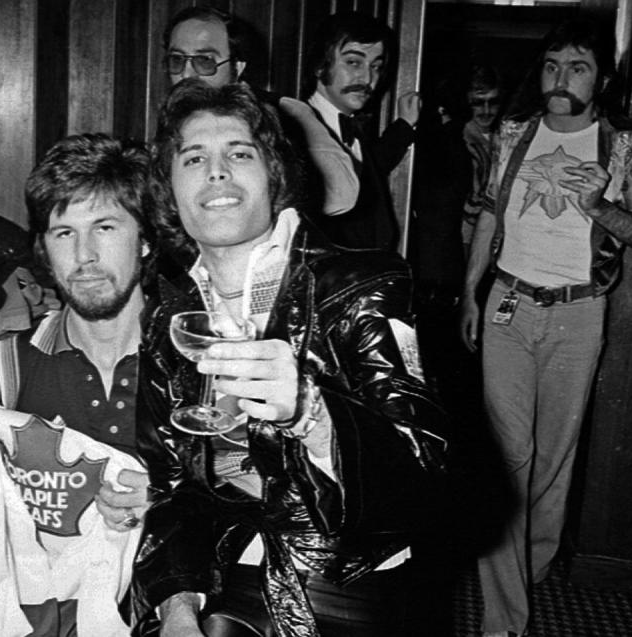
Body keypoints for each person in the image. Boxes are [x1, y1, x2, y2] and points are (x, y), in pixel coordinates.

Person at [131, 79, 449, 637]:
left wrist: (310, 410)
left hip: (341, 577)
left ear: (274, 174)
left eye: (239, 153)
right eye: (194, 158)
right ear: (170, 191)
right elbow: (170, 486)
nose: (217, 172)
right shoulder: (171, 321)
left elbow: (429, 482)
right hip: (222, 571)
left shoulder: (364, 286)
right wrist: (176, 608)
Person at [458, 19, 632, 637]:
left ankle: (535, 559)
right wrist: (470, 292)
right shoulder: (514, 133)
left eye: (577, 67)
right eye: (552, 65)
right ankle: (505, 619)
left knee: (553, 457)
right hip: (509, 309)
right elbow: (490, 218)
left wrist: (600, 206)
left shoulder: (626, 144)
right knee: (508, 456)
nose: (561, 79)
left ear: (601, 77)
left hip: (579, 313)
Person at [0, 133, 153, 633]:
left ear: (146, 238)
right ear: (45, 252)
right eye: (64, 233)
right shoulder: (6, 365)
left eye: (106, 227)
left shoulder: (195, 364)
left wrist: (167, 499)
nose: (85, 255)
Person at [163, 6, 358, 220]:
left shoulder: (286, 113)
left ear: (238, 67)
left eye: (205, 61)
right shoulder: (171, 118)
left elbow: (342, 194)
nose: (186, 74)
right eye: (177, 60)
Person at [297, 11, 422, 250]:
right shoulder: (297, 131)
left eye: (376, 66)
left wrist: (405, 126)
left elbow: (369, 170)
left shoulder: (351, 128)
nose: (367, 78)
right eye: (353, 62)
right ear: (320, 65)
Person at [461, 65, 504, 258]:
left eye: (493, 102)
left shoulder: (507, 137)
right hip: (463, 242)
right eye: (478, 103)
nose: (486, 110)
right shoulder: (456, 139)